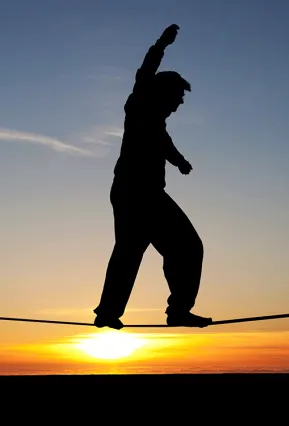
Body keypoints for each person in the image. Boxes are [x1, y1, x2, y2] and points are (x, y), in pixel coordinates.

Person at [93, 24, 212, 330]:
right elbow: (145, 72)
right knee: (183, 247)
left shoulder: (155, 124)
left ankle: (111, 312)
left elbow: (164, 144)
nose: (179, 104)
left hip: (137, 193)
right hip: (138, 193)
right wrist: (162, 44)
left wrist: (179, 161)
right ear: (164, 93)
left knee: (133, 252)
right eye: (177, 98)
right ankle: (175, 310)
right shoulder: (140, 104)